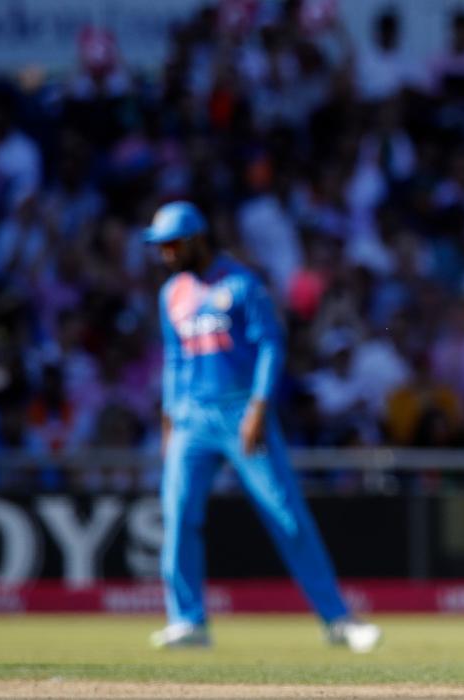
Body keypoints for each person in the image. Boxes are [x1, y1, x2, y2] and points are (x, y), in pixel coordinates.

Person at [144, 201, 380, 653]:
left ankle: (337, 619)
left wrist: (258, 406)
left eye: (171, 245)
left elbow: (271, 347)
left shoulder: (241, 284)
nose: (165, 254)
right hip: (192, 418)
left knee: (285, 514)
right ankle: (188, 621)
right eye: (161, 246)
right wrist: (170, 421)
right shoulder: (171, 293)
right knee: (178, 514)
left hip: (241, 412)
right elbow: (175, 361)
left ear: (196, 240)